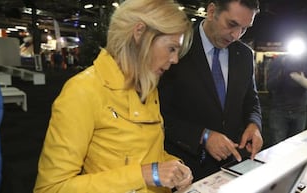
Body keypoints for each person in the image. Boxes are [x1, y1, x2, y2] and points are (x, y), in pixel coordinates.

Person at [34, 0, 193, 192]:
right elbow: (51, 188)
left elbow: (146, 155)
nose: (175, 59)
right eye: (171, 48)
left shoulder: (148, 88)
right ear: (140, 33)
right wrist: (142, 175)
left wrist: (173, 166)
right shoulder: (83, 90)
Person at [158, 0, 263, 181]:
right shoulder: (177, 47)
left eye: (244, 29)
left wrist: (254, 125)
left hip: (232, 165)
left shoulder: (244, 55)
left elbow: (250, 100)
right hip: (185, 169)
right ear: (212, 11)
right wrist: (202, 136)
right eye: (232, 24)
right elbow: (158, 114)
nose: (236, 35)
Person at [266, 52, 307, 146]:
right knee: (277, 146)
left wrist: (300, 79)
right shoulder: (280, 60)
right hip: (279, 111)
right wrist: (283, 71)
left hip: (299, 111)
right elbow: (270, 85)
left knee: (295, 146)